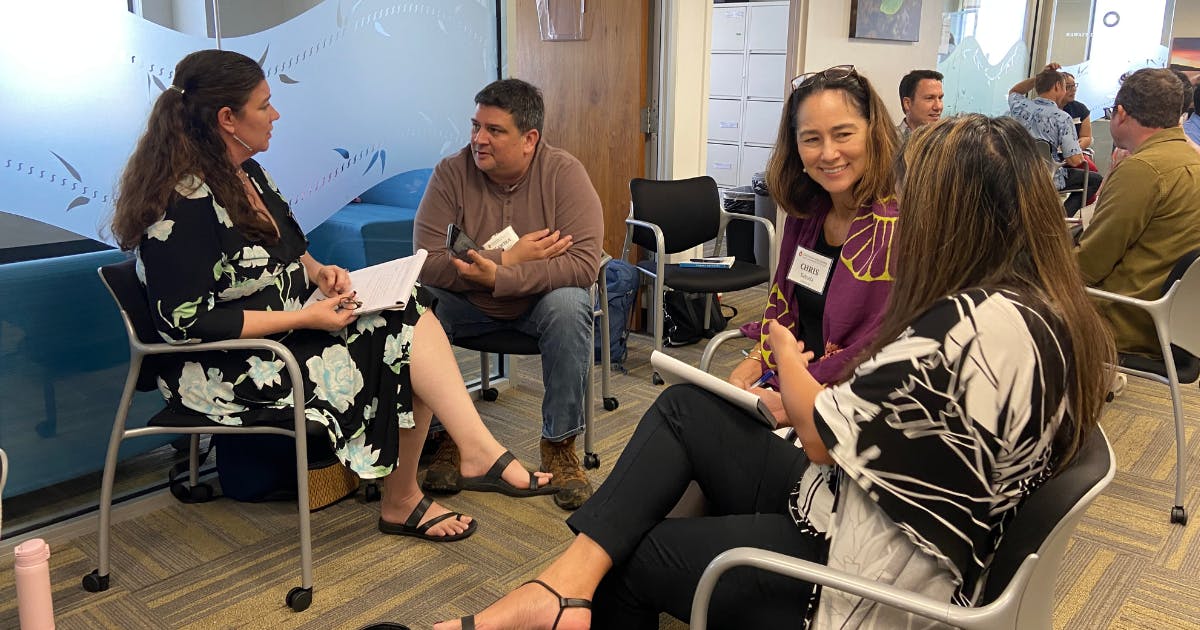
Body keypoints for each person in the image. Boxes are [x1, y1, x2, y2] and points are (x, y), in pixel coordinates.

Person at [434, 114, 1116, 629]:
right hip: (877, 509)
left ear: (954, 216)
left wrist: (788, 359)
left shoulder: (965, 331)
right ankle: (560, 585)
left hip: (870, 573)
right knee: (686, 409)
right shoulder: (1044, 309)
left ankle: (562, 595)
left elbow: (822, 431)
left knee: (641, 553)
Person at [110, 50, 556, 544]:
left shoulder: (248, 174)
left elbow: (290, 249)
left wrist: (321, 273)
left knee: (406, 309)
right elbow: (187, 324)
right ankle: (421, 487)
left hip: (286, 329)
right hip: (225, 366)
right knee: (399, 343)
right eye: (265, 105)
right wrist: (307, 320)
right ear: (227, 119)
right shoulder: (186, 199)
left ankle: (453, 463)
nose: (275, 115)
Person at [413, 78, 604, 511]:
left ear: (529, 139)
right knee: (419, 305)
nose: (478, 139)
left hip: (539, 307)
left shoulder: (565, 175)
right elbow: (426, 260)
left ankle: (559, 445)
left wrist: (500, 276)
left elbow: (582, 266)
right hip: (467, 308)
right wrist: (509, 258)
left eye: (494, 131)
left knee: (572, 302)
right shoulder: (450, 173)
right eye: (475, 126)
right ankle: (452, 439)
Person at [727, 63, 899, 432]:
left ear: (874, 134)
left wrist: (793, 395)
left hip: (852, 412)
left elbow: (883, 346)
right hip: (791, 383)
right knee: (690, 413)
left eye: (843, 134)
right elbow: (787, 317)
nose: (829, 153)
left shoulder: (898, 229)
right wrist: (752, 366)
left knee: (688, 423)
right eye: (811, 139)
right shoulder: (807, 218)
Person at [1076, 68, 1200, 359]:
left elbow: (1090, 265)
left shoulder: (1144, 170)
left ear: (1120, 113)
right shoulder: (1190, 162)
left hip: (1122, 321)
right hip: (1170, 322)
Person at [1008, 63, 1102, 215]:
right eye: (1066, 87)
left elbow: (1015, 90)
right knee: (1094, 180)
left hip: (1016, 173)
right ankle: (1060, 217)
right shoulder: (1062, 118)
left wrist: (1038, 78)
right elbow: (1074, 161)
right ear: (1058, 86)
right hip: (1046, 177)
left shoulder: (1020, 106)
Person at [895, 68, 944, 138]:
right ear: (907, 104)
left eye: (940, 98)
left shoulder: (946, 142)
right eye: (929, 98)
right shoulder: (888, 142)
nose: (938, 106)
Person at [1061, 72, 1094, 151]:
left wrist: (1073, 149)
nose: (1073, 89)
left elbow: (1086, 137)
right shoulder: (1047, 109)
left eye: (1074, 85)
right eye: (1068, 86)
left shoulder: (1080, 109)